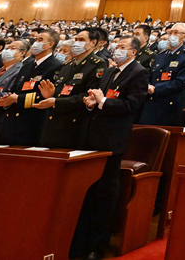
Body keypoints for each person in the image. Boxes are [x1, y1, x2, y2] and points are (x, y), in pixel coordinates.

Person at [71, 35, 148, 260]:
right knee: (89, 192)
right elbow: (100, 100)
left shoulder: (139, 72)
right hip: (92, 138)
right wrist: (92, 103)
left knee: (105, 194)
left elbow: (133, 104)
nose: (117, 49)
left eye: (123, 47)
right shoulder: (109, 71)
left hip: (112, 140)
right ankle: (81, 242)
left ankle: (97, 246)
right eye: (117, 46)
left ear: (134, 52)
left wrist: (104, 102)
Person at [38, 28, 108, 148]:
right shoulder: (67, 65)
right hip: (54, 120)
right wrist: (52, 94)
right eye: (76, 39)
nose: (77, 43)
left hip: (74, 123)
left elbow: (88, 96)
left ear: (93, 43)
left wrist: (56, 101)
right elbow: (61, 91)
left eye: (81, 40)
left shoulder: (98, 64)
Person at [0, 28, 63, 145]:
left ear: (50, 44)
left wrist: (18, 99)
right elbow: (16, 89)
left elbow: (46, 96)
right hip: (13, 119)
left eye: (40, 40)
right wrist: (8, 98)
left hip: (33, 121)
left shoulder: (56, 66)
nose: (35, 43)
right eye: (36, 39)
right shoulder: (27, 65)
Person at [140, 23, 185, 126]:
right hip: (151, 103)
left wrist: (155, 88)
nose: (172, 35)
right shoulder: (161, 55)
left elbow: (180, 82)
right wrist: (148, 86)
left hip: (169, 105)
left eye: (176, 33)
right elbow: (151, 76)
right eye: (170, 32)